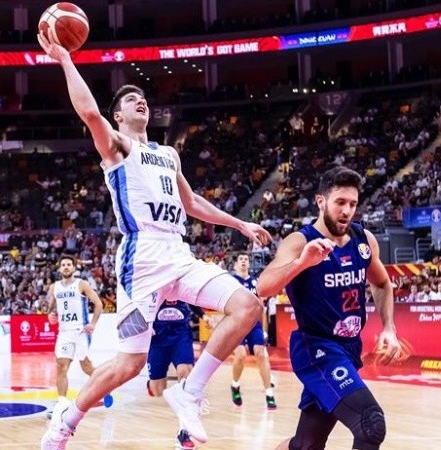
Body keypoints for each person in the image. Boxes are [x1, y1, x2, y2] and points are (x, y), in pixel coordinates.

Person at [38, 28, 271, 449]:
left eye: (142, 97)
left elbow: (193, 202)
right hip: (140, 257)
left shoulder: (168, 154)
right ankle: (65, 422)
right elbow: (91, 114)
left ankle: (190, 392)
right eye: (130, 99)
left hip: (177, 252)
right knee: (130, 363)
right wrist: (65, 59)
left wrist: (239, 225)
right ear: (120, 116)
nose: (140, 100)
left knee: (247, 305)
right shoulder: (118, 147)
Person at [256, 167, 401, 450]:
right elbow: (263, 287)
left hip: (348, 350)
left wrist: (388, 327)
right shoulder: (300, 241)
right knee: (370, 423)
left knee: (306, 445)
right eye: (340, 203)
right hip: (316, 350)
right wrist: (302, 263)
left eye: (352, 204)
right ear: (321, 202)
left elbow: (383, 284)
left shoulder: (364, 240)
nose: (347, 211)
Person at [46, 256, 111, 418]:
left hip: (81, 332)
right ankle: (61, 404)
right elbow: (50, 309)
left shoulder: (81, 284)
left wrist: (93, 324)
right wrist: (50, 315)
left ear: (74, 268)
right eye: (63, 265)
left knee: (86, 368)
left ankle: (106, 387)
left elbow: (99, 304)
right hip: (64, 333)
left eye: (69, 264)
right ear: (59, 269)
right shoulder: (54, 288)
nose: (66, 267)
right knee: (61, 366)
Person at [147, 297, 205, 450]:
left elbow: (192, 298)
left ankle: (184, 434)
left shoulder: (180, 278)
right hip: (157, 336)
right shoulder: (153, 280)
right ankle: (150, 383)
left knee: (185, 373)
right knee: (157, 389)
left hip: (180, 333)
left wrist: (204, 316)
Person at [229, 253, 276, 410]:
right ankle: (235, 385)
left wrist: (264, 329)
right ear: (235, 264)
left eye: (246, 260)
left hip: (253, 323)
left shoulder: (255, 282)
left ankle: (269, 393)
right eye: (240, 259)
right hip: (236, 323)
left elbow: (261, 307)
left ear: (249, 264)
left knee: (261, 354)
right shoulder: (231, 281)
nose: (243, 262)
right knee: (241, 355)